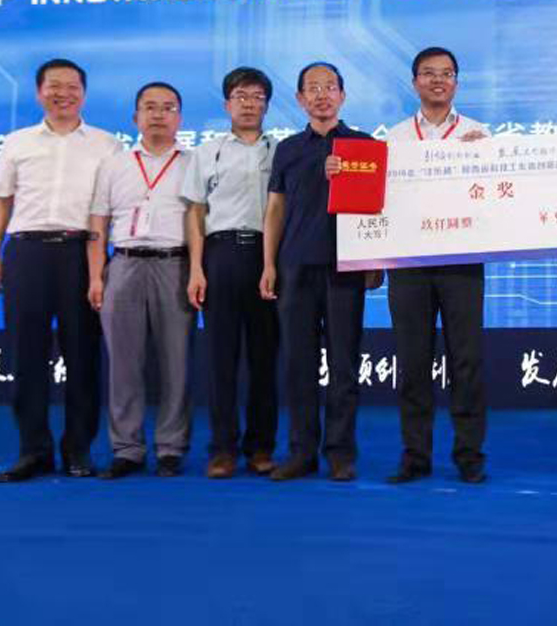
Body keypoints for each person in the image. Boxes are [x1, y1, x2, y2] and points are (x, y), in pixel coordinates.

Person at [0, 59, 120, 482]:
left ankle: (78, 450)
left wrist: (99, 269)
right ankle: (33, 451)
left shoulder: (106, 145)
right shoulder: (17, 142)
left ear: (84, 92)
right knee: (27, 355)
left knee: (83, 355)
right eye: (54, 86)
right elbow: (0, 201)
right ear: (39, 91)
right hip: (27, 252)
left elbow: (109, 211)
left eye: (72, 86)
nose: (64, 93)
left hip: (81, 253)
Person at [365, 47, 490, 484]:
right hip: (409, 263)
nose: (438, 80)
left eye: (447, 73)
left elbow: (496, 199)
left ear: (456, 82)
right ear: (415, 81)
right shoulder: (394, 139)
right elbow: (378, 202)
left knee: (466, 361)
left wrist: (483, 161)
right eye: (429, 73)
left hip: (462, 262)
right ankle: (415, 455)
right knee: (412, 361)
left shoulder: (478, 134)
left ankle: (469, 455)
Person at [261, 62, 381, 482]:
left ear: (342, 96)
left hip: (345, 269)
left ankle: (341, 453)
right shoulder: (288, 149)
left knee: (344, 365)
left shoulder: (363, 145)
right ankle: (301, 452)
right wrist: (268, 263)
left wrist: (374, 261)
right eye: (312, 88)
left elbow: (377, 208)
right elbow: (275, 209)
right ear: (300, 99)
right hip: (295, 266)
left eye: (330, 87)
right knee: (299, 364)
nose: (321, 95)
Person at [88, 82, 194, 479]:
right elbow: (97, 222)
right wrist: (96, 275)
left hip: (175, 265)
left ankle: (171, 448)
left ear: (179, 118)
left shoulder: (193, 162)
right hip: (124, 265)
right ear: (135, 117)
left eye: (168, 107)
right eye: (150, 107)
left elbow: (200, 222)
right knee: (123, 364)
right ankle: (127, 448)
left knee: (176, 363)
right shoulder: (114, 163)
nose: (158, 115)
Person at [181, 67, 279, 478]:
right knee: (220, 359)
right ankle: (222, 449)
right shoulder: (206, 152)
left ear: (267, 105)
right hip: (219, 254)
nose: (249, 104)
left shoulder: (281, 151)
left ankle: (260, 448)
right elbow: (195, 212)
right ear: (227, 104)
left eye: (257, 97)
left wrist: (273, 263)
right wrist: (196, 268)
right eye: (241, 96)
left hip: (267, 257)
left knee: (264, 359)